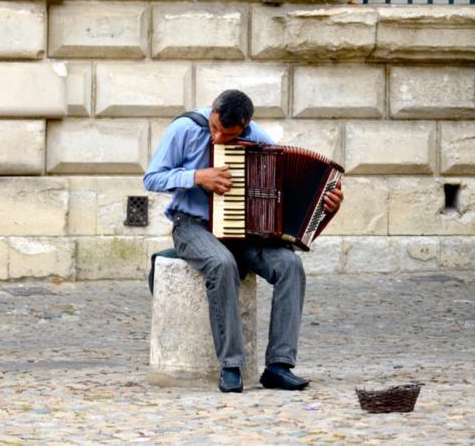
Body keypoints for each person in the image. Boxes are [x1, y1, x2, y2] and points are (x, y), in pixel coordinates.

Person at [143, 90, 344, 393]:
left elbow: (282, 193)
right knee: (221, 264)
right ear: (212, 109)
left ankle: (279, 365)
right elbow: (152, 178)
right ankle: (231, 365)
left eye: (229, 134)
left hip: (244, 231)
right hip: (192, 226)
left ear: (246, 126)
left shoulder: (260, 140)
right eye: (215, 129)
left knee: (290, 265)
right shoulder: (184, 128)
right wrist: (197, 177)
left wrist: (325, 203)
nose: (220, 138)